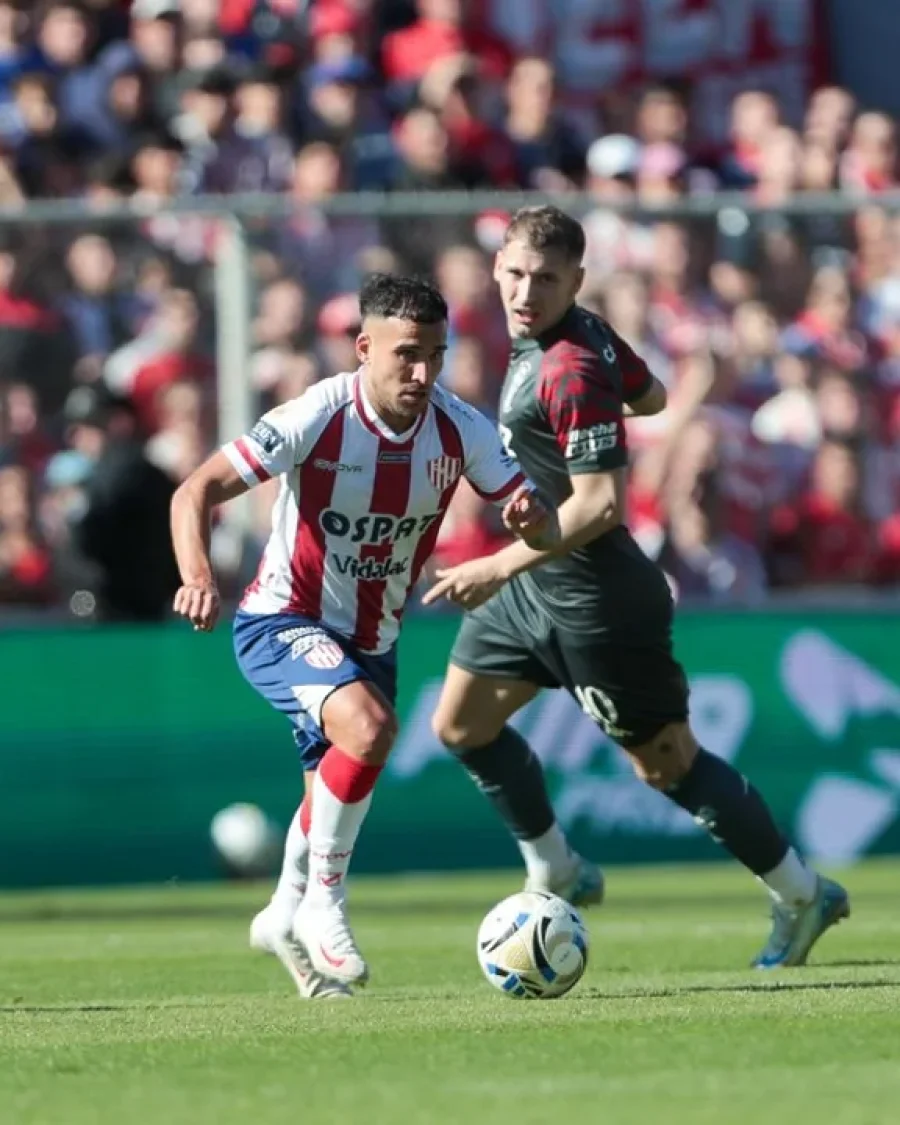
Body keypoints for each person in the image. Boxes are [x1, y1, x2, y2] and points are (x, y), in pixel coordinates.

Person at [426, 206, 850, 970]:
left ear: (575, 281)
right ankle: (554, 865)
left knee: (666, 764)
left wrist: (495, 564)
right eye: (517, 273)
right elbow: (651, 398)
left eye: (547, 280)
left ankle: (802, 892)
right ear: (497, 268)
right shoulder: (575, 335)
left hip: (597, 599)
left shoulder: (570, 364)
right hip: (538, 588)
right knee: (460, 725)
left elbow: (600, 505)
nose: (527, 291)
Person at [169, 274, 553, 998]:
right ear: (364, 346)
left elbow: (524, 506)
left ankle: (283, 913)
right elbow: (194, 491)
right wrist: (196, 573)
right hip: (284, 620)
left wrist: (527, 518)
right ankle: (324, 906)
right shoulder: (317, 415)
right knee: (372, 729)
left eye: (436, 354)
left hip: (372, 640)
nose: (423, 372)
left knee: (328, 795)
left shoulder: (460, 426)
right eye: (407, 354)